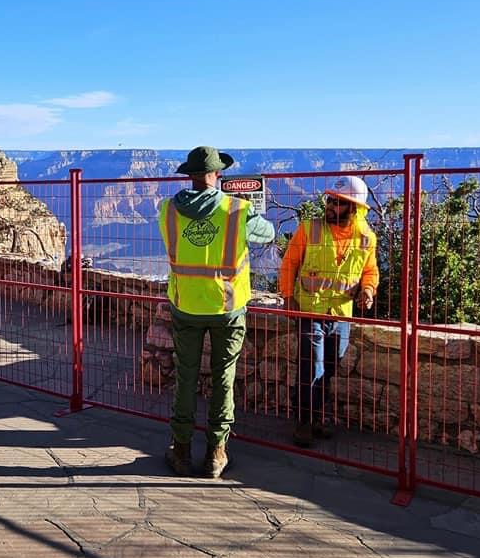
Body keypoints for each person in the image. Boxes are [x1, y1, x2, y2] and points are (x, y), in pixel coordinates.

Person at [159, 146, 276, 478]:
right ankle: (216, 453)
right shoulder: (237, 210)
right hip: (226, 309)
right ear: (217, 175)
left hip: (185, 306)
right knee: (223, 378)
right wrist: (245, 211)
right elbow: (267, 234)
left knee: (186, 377)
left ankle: (180, 450)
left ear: (190, 176)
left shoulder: (167, 209)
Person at [278, 175, 379, 448]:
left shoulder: (366, 238)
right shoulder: (309, 229)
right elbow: (289, 264)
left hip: (341, 314)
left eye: (339, 203)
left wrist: (368, 290)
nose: (331, 206)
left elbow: (370, 271)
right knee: (312, 366)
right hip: (310, 309)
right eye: (331, 201)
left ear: (354, 208)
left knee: (329, 370)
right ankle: (303, 423)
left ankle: (316, 419)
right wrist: (288, 296)